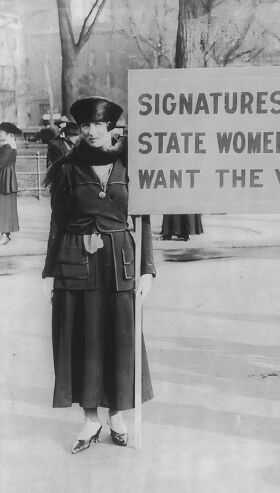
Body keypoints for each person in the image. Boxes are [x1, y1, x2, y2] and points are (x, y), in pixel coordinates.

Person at [42, 96, 156, 454]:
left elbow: (144, 220)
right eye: (85, 126)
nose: (92, 132)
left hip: (121, 262)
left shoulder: (131, 165)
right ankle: (91, 419)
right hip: (77, 261)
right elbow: (57, 222)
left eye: (98, 125)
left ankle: (117, 415)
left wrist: (148, 269)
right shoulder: (67, 169)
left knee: (120, 340)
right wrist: (50, 271)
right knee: (84, 339)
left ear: (112, 129)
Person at [0, 122, 21, 245]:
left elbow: (1, 162)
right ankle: (5, 234)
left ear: (8, 134)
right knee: (5, 207)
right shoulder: (8, 145)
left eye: (1, 132)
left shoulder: (8, 146)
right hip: (6, 178)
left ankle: (5, 235)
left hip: (5, 178)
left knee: (5, 207)